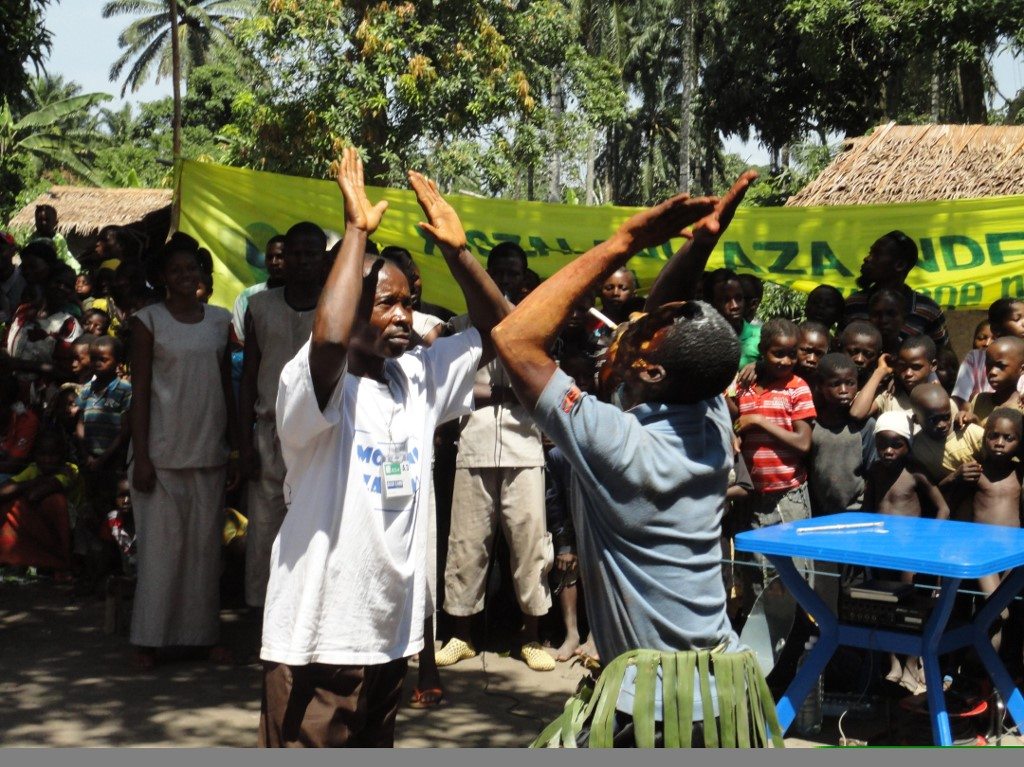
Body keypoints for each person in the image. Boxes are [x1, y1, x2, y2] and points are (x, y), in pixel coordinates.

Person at [493, 175, 783, 748]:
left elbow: (516, 337)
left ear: (650, 373)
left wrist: (626, 240)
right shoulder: (710, 418)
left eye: (643, 336)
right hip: (724, 684)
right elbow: (673, 333)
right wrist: (699, 244)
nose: (631, 327)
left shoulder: (616, 443)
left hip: (659, 708)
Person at [257, 149, 509, 748]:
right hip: (317, 637)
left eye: (408, 302)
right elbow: (329, 337)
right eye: (385, 302)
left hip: (388, 637)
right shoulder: (315, 382)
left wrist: (459, 251)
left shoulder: (416, 378)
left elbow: (500, 333)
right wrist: (353, 233)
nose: (404, 316)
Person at [437, 241, 554, 674]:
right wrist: (506, 393)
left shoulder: (539, 323)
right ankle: (461, 636)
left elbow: (541, 384)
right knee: (467, 544)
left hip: (525, 448)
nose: (505, 279)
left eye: (513, 273)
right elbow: (453, 389)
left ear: (523, 278)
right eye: (497, 272)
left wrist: (497, 394)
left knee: (530, 544)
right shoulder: (462, 325)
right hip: (474, 446)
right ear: (484, 274)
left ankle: (532, 637)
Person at [129, 239, 239, 670]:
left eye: (192, 267)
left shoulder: (218, 321)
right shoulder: (147, 321)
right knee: (160, 552)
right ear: (162, 276)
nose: (186, 275)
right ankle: (147, 640)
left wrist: (234, 446)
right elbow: (140, 393)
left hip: (208, 450)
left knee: (203, 554)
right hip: (159, 454)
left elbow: (225, 387)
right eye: (176, 269)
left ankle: (202, 638)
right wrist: (141, 456)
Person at [238, 222, 325, 608]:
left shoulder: (334, 306)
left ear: (323, 259)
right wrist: (244, 444)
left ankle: (311, 613)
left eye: (312, 253)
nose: (303, 261)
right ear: (282, 258)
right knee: (264, 530)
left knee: (316, 528)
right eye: (296, 253)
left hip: (321, 434)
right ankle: (261, 613)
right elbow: (248, 379)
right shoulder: (260, 307)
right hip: (269, 434)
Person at [844, 230, 949, 348]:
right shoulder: (852, 304)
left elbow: (945, 357)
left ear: (900, 265)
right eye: (870, 252)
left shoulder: (928, 310)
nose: (867, 258)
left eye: (876, 254)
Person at [232, 236, 287, 346]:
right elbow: (240, 340)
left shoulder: (304, 298)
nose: (274, 262)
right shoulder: (247, 297)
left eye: (280, 256)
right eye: (269, 257)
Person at [962, 336, 1024, 426]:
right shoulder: (980, 400)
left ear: (1022, 369)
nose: (992, 372)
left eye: (1000, 366)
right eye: (989, 365)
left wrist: (977, 427)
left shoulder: (1021, 406)